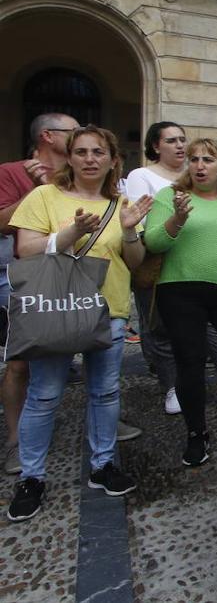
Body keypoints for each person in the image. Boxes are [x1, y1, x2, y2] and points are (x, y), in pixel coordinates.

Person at [6, 125, 153, 522]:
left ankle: (103, 464)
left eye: (98, 152)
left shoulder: (121, 202)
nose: (91, 159)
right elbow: (25, 248)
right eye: (82, 151)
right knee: (45, 395)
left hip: (109, 309)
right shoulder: (44, 196)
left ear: (111, 159)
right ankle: (32, 477)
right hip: (55, 308)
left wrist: (127, 230)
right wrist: (71, 232)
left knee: (105, 392)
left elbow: (135, 263)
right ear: (69, 157)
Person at [145, 138, 217, 467]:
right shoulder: (171, 196)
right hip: (180, 289)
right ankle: (196, 434)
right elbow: (154, 241)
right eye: (194, 159)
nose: (200, 165)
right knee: (190, 362)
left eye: (208, 159)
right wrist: (176, 218)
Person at [0, 113, 84, 475]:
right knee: (20, 361)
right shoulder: (12, 172)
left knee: (95, 352)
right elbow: (2, 221)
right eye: (74, 131)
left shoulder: (77, 172)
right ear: (48, 136)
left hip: (76, 276)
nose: (81, 137)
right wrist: (38, 192)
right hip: (27, 279)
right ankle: (16, 439)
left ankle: (104, 422)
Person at [125, 121, 188, 416]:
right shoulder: (141, 175)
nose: (180, 146)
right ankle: (171, 385)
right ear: (155, 146)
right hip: (157, 262)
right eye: (172, 140)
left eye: (182, 140)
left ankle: (189, 379)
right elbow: (141, 220)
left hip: (193, 260)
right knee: (159, 326)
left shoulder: (193, 174)